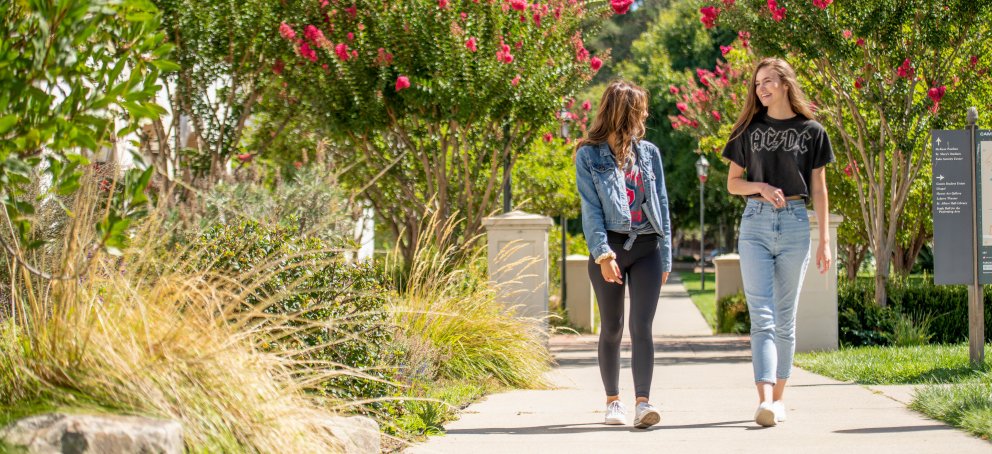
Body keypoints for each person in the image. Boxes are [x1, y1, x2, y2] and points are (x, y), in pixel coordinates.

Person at [721, 57, 833, 427]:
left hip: (796, 224)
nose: (762, 88)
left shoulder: (812, 130)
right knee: (763, 316)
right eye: (757, 84)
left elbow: (818, 186)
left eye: (769, 81)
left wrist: (825, 240)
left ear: (785, 83)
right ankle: (764, 399)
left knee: (785, 318)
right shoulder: (748, 130)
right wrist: (762, 187)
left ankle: (779, 400)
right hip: (754, 223)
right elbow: (733, 183)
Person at [575, 79, 672, 429]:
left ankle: (643, 404)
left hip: (647, 248)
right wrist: (602, 255)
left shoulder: (649, 153)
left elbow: (661, 204)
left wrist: (668, 255)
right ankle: (613, 401)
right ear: (625, 112)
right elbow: (591, 210)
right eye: (640, 108)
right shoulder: (589, 154)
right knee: (613, 327)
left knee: (641, 326)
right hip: (610, 249)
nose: (645, 114)